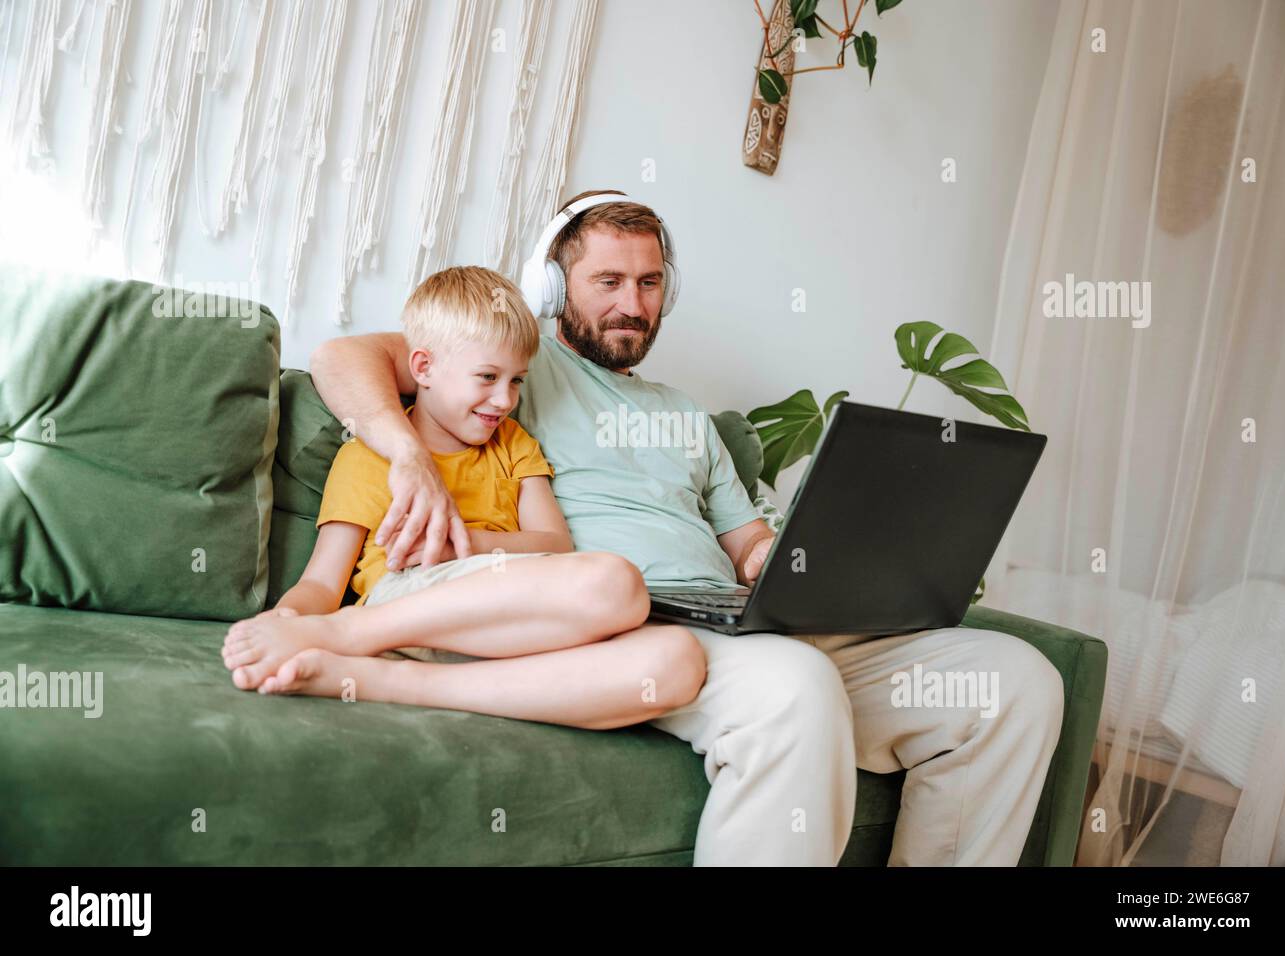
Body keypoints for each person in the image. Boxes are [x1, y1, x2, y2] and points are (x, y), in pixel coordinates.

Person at [309, 191, 1066, 866]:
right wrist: (406, 455)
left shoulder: (688, 417)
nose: (631, 304)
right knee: (793, 690)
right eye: (607, 281)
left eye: (649, 282)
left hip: (739, 614)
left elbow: (747, 544)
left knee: (1015, 683)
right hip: (635, 624)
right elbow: (338, 360)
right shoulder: (515, 373)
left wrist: (811, 560)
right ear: (553, 287)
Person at [221, 265, 706, 730]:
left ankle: (393, 681)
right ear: (424, 368)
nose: (504, 400)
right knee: (615, 583)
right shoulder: (372, 457)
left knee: (677, 661)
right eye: (487, 377)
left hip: (507, 625)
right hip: (407, 607)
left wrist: (464, 545)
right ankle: (347, 634)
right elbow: (324, 582)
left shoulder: (513, 445)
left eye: (516, 380)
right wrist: (285, 619)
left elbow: (554, 545)